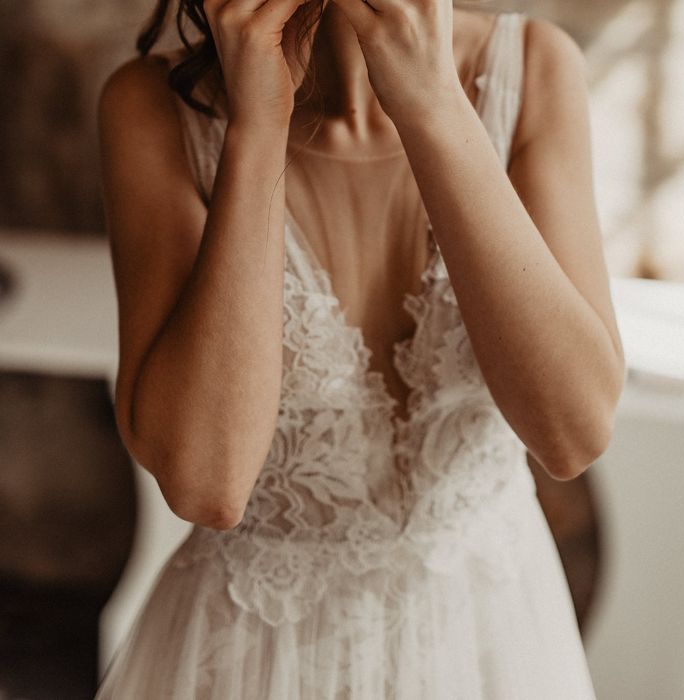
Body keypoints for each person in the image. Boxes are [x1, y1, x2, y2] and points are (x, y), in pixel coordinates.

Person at [94, 0, 625, 695]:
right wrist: (258, 129)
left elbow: (574, 434)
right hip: (256, 663)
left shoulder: (533, 72)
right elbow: (208, 484)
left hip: (486, 648)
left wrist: (432, 105)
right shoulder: (152, 108)